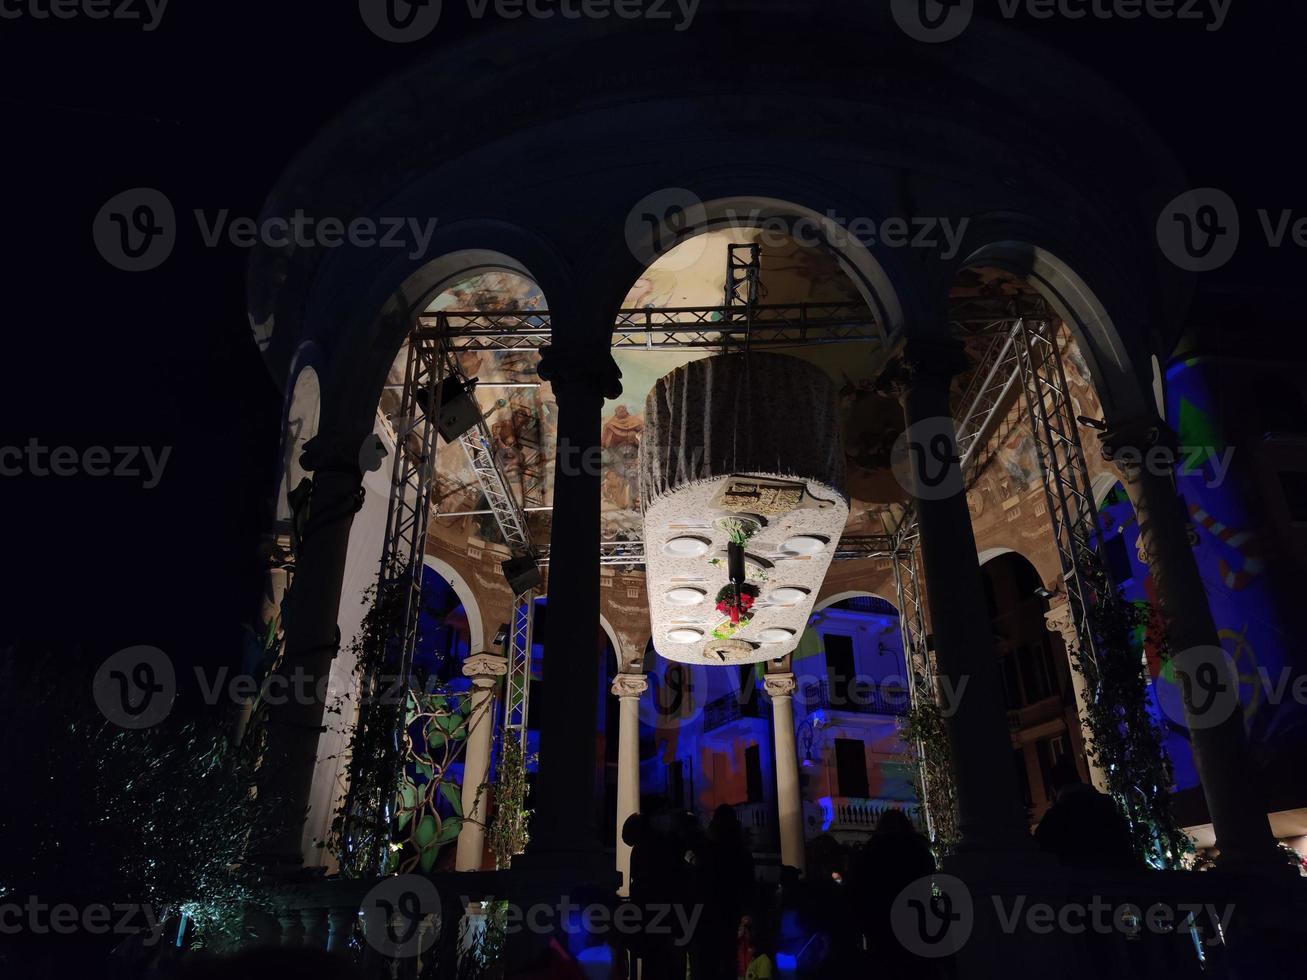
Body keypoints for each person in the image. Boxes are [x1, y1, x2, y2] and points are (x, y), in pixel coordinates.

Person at [846, 808, 937, 970]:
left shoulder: (869, 853)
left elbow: (855, 892)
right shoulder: (918, 851)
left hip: (882, 927)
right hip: (916, 925)